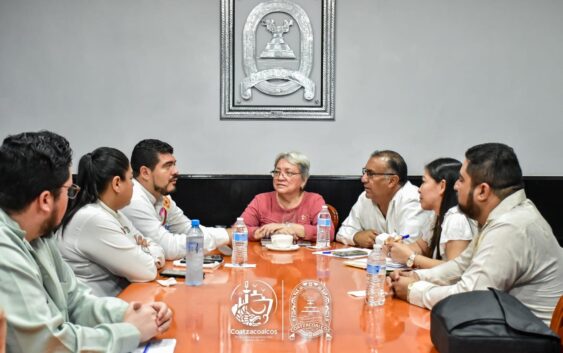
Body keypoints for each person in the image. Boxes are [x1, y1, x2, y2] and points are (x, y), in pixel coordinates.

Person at [0, 131, 172, 352]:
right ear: (45, 200)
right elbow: (47, 345)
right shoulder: (5, 250)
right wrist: (131, 331)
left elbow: (75, 300)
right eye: (69, 190)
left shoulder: (38, 235)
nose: (71, 197)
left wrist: (130, 312)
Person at [389, 143, 563, 326]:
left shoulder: (511, 227)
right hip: (515, 329)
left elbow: (470, 298)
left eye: (462, 180)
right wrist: (417, 277)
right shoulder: (508, 214)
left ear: (482, 191)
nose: (455, 186)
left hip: (534, 340)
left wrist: (412, 290)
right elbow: (461, 265)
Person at [56, 147, 165, 297]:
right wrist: (145, 250)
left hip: (117, 301)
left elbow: (156, 247)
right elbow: (146, 270)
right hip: (93, 314)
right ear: (117, 183)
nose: (133, 184)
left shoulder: (113, 212)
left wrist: (145, 251)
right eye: (131, 178)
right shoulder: (93, 218)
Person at [122, 139, 230, 260]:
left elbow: (188, 228)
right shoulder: (134, 200)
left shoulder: (161, 195)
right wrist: (226, 236)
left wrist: (226, 236)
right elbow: (168, 248)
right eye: (168, 166)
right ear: (145, 172)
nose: (176, 171)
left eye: (174, 164)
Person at [385, 158, 477, 269]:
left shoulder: (457, 219)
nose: (419, 189)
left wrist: (411, 258)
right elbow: (421, 247)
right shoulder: (435, 215)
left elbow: (454, 270)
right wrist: (396, 247)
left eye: (424, 182)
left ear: (442, 186)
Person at [336, 150, 432, 248]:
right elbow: (342, 232)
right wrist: (356, 236)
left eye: (371, 174)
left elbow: (407, 245)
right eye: (365, 172)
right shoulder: (365, 197)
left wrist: (376, 240)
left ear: (392, 181)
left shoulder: (414, 200)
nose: (363, 179)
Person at [240, 151, 334, 241]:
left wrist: (289, 227)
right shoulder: (261, 200)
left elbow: (328, 233)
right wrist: (260, 232)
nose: (280, 178)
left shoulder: (314, 200)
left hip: (303, 256)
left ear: (303, 179)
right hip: (267, 255)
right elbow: (238, 230)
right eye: (277, 172)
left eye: (288, 173)